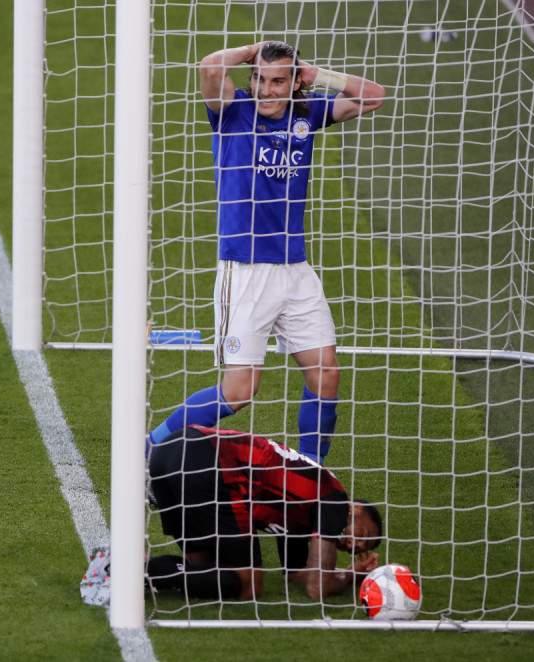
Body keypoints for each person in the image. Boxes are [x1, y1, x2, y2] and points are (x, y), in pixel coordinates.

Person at [147, 41, 386, 464]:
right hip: (245, 270)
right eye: (259, 78)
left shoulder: (308, 113)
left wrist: (318, 76)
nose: (266, 90)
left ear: (295, 84)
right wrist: (254, 50)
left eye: (278, 81)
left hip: (295, 269)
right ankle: (149, 446)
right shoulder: (232, 110)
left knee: (326, 373)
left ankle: (311, 471)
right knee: (239, 392)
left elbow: (374, 96)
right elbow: (210, 66)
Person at [144, 425, 381, 601]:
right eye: (363, 534)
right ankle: (137, 570)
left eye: (360, 549)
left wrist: (343, 572)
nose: (357, 545)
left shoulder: (304, 512)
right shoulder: (335, 501)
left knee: (205, 568)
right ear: (355, 509)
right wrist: (351, 576)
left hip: (170, 452)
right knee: (248, 585)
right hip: (211, 464)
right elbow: (317, 587)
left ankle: (138, 567)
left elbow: (296, 575)